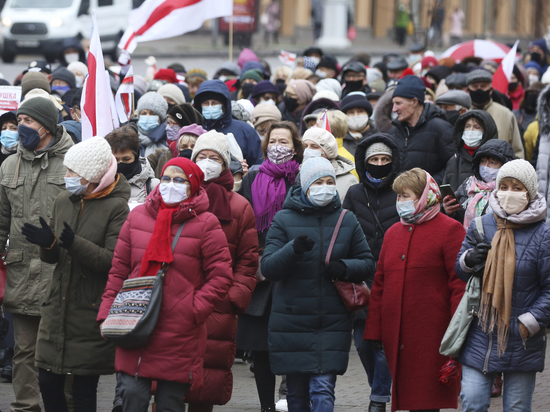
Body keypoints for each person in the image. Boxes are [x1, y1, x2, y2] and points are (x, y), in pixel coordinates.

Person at [97, 157, 233, 411]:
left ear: (192, 185)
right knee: (131, 396)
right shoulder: (137, 217)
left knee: (170, 402)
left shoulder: (206, 223)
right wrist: (107, 313)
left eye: (179, 180)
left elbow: (221, 276)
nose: (171, 184)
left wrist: (193, 308)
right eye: (167, 178)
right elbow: (119, 271)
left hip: (179, 331)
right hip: (133, 322)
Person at [20, 136, 130, 412]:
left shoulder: (117, 207)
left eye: (73, 172)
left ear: (92, 175)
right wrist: (48, 244)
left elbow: (112, 260)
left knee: (83, 389)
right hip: (57, 305)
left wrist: (73, 244)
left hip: (89, 308)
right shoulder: (62, 200)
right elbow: (54, 259)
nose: (66, 176)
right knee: (47, 380)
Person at [261, 156, 375, 412]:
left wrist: (344, 268)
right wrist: (292, 249)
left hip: (331, 321)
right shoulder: (282, 219)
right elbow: (268, 267)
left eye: (329, 182)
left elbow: (368, 263)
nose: (325, 188)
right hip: (292, 321)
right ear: (305, 186)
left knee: (323, 390)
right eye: (318, 182)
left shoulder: (346, 219)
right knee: (297, 395)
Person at [364, 168, 466, 412]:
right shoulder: (392, 233)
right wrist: (375, 329)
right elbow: (380, 284)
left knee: (426, 401)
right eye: (398, 196)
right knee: (408, 399)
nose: (400, 202)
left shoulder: (450, 230)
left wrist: (457, 330)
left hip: (432, 336)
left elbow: (459, 284)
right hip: (396, 334)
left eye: (406, 196)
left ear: (424, 197)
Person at [456, 159, 550, 412]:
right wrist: (470, 260)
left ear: (530, 192)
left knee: (516, 407)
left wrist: (529, 321)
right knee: (472, 401)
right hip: (481, 331)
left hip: (522, 337)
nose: (509, 193)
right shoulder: (482, 224)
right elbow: (460, 269)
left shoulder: (544, 234)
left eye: (517, 188)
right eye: (505, 186)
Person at [0, 97, 73, 411]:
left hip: (60, 272)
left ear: (46, 126)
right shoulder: (8, 164)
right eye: (20, 123)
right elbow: (1, 220)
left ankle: (66, 405)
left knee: (62, 350)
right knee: (24, 350)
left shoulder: (72, 161)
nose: (21, 129)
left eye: (28, 122)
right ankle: (26, 406)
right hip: (20, 273)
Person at [184, 131, 258, 411]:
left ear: (225, 165)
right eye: (201, 156)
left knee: (206, 382)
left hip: (218, 305)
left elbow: (248, 260)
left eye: (213, 158)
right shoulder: (179, 197)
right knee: (170, 384)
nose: (206, 162)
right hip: (179, 302)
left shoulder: (239, 206)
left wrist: (233, 297)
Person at [237, 121, 303, 412]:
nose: (278, 146)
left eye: (284, 142)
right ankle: (266, 406)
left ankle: (288, 398)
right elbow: (243, 220)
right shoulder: (253, 178)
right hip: (261, 271)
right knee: (261, 347)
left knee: (291, 343)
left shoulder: (301, 178)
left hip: (292, 269)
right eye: (273, 140)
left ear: (295, 147)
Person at [343, 135, 399, 412]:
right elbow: (344, 232)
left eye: (384, 160)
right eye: (374, 160)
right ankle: (379, 385)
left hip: (392, 277)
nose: (379, 165)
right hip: (361, 277)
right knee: (363, 343)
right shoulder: (354, 194)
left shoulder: (401, 192)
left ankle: (378, 399)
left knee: (382, 343)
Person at [389, 75, 455, 184]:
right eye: (393, 103)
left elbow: (452, 167)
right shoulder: (394, 131)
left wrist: (427, 186)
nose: (394, 109)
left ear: (414, 102)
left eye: (398, 103)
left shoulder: (440, 128)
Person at [443, 139, 515, 229]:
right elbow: (459, 218)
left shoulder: (509, 191)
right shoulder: (468, 185)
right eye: (483, 161)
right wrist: (451, 212)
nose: (486, 166)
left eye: (493, 163)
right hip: (467, 240)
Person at [193, 80, 262, 166]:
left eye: (215, 103)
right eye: (206, 103)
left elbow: (257, 164)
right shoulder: (194, 130)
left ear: (225, 105)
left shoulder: (245, 131)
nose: (210, 106)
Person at [466, 69, 524, 159]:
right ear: (467, 90)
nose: (479, 90)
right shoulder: (463, 115)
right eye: (475, 86)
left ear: (491, 90)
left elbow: (517, 150)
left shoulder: (506, 115)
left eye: (483, 86)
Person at [442, 110, 498, 190]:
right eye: (467, 126)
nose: (471, 130)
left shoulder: (495, 160)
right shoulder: (454, 160)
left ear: (486, 132)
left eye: (476, 127)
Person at [105, 126, 159, 204]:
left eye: (126, 159)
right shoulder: (100, 185)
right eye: (115, 160)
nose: (120, 163)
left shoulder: (152, 186)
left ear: (136, 156)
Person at [302, 126, 358, 201]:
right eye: (305, 146)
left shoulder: (349, 180)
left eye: (314, 147)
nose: (308, 150)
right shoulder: (300, 173)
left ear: (327, 151)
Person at [136, 92, 169, 156]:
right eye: (144, 113)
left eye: (153, 114)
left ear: (161, 119)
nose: (148, 117)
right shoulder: (129, 138)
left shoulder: (168, 140)